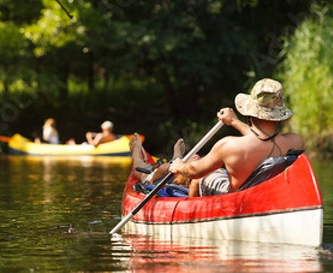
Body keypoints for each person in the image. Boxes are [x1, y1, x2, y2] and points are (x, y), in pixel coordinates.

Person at [130, 78, 304, 197]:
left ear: (251, 113)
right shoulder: (295, 142)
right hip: (269, 196)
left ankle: (190, 209)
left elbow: (195, 171)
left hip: (236, 198)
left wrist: (180, 166)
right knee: (206, 168)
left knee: (196, 176)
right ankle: (164, 162)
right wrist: (234, 122)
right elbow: (262, 140)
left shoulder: (229, 146)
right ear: (278, 116)